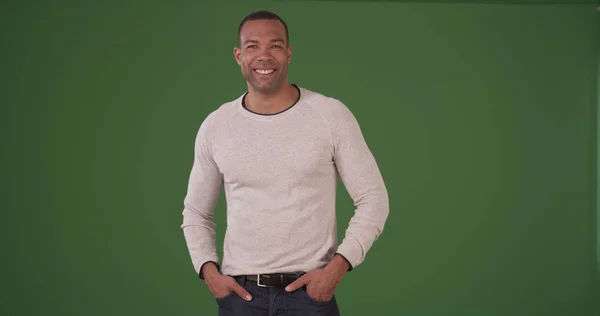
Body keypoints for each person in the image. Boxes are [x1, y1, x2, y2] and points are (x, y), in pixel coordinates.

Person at [181, 9, 389, 316]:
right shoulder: (217, 125)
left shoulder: (330, 115)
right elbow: (196, 212)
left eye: (275, 46)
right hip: (241, 298)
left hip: (310, 296)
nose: (264, 56)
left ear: (288, 53)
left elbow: (373, 199)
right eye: (252, 47)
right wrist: (209, 272)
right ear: (238, 55)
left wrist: (336, 269)